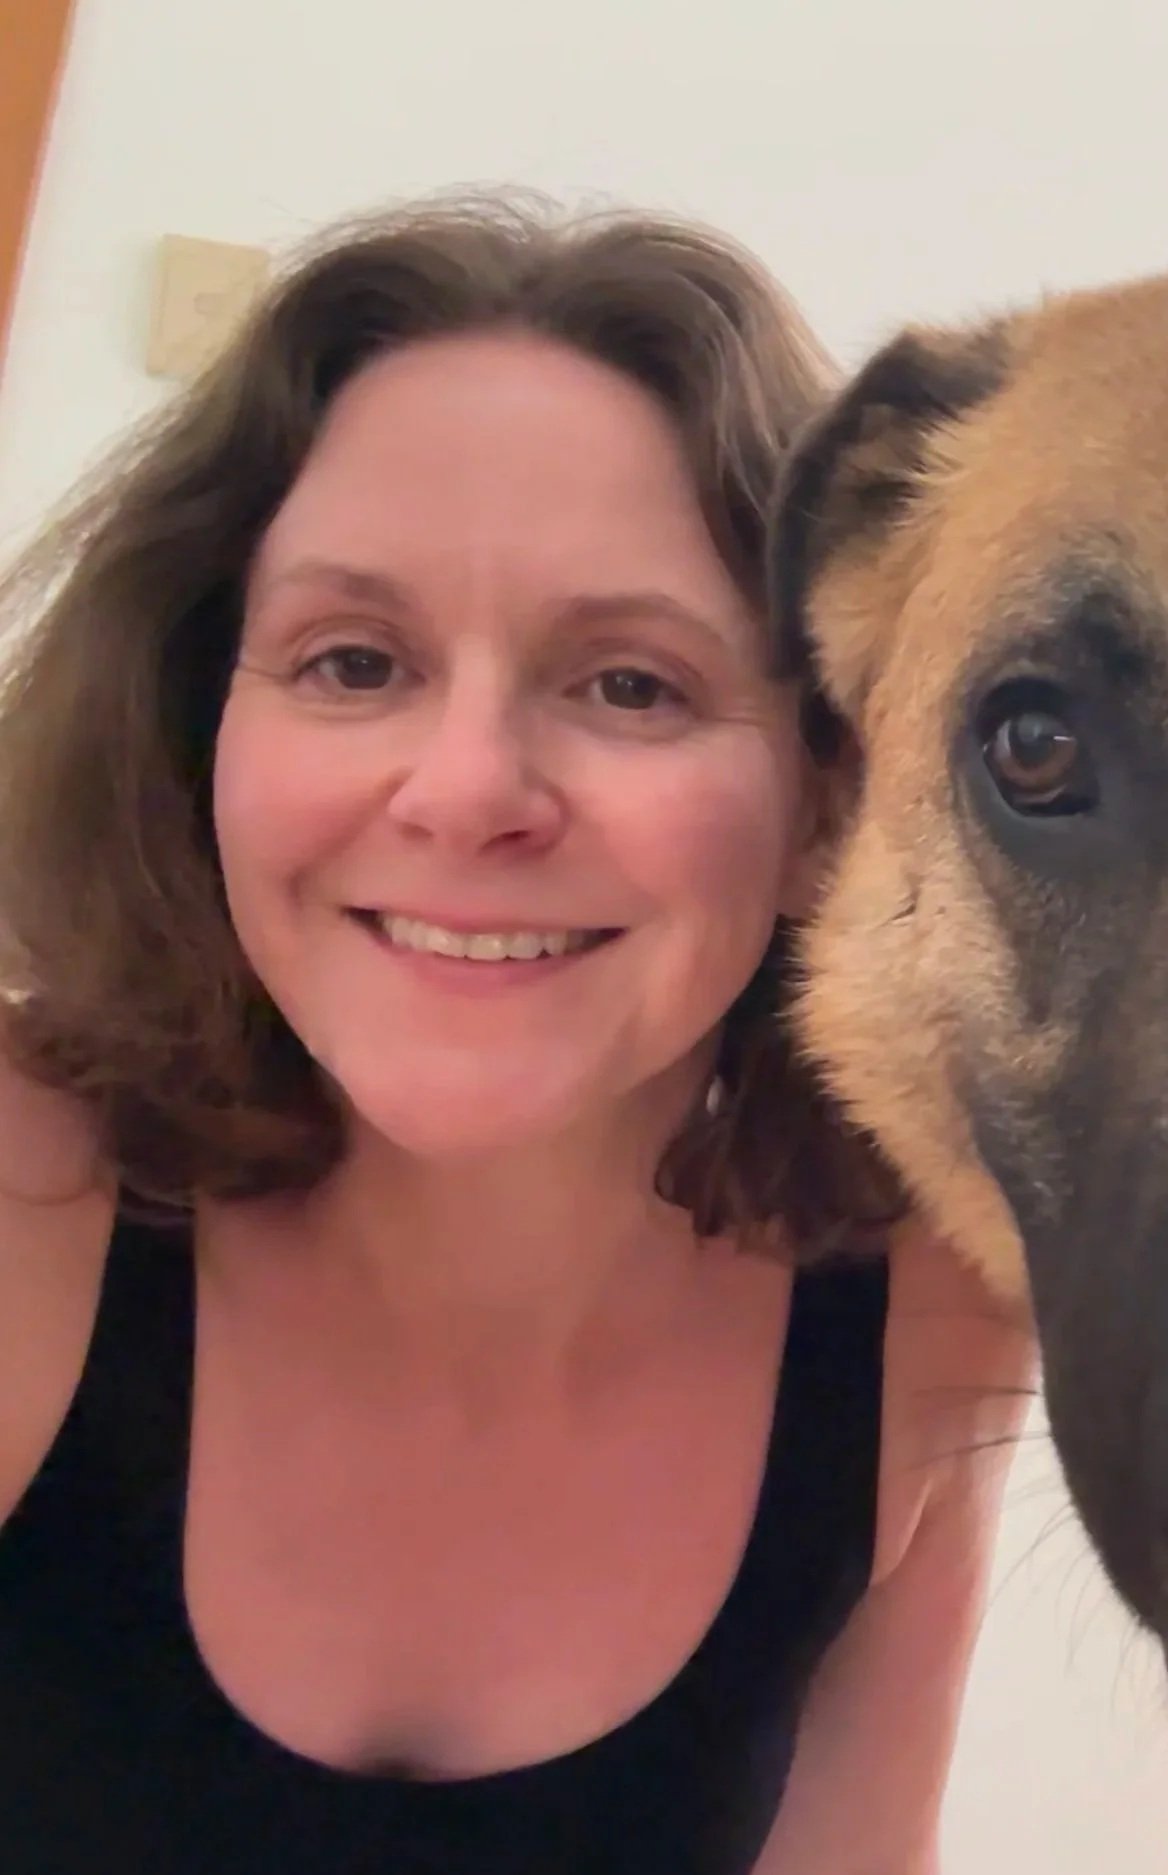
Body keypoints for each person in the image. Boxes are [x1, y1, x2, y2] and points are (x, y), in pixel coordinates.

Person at [0, 192, 1033, 1874]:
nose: (467, 789)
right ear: (200, 734)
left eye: (632, 684)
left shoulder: (935, 1307)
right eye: (352, 663)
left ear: (832, 801)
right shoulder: (21, 1194)